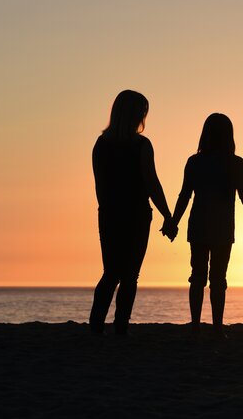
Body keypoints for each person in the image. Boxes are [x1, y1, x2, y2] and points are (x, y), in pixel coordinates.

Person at [168, 113, 243, 339]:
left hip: (199, 225)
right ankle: (216, 328)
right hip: (223, 228)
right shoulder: (235, 163)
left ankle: (196, 326)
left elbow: (184, 196)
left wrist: (173, 222)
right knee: (218, 278)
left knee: (197, 276)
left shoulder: (195, 162)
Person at [89, 90, 174, 335]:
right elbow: (151, 183)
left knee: (112, 272)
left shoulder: (102, 144)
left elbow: (100, 185)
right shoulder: (141, 145)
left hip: (110, 213)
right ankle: (119, 327)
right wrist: (167, 216)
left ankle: (98, 326)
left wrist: (107, 209)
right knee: (128, 275)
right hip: (135, 214)